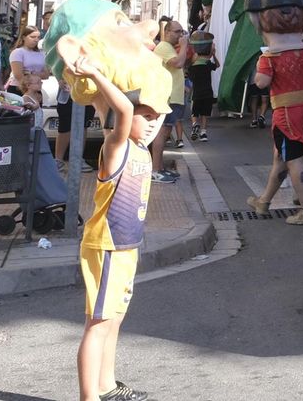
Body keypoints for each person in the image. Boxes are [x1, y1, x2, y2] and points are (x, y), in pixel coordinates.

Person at [71, 53, 165, 401]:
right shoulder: (117, 146)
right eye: (147, 116)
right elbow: (120, 111)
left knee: (113, 320)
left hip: (126, 245)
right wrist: (95, 72)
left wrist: (89, 78)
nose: (153, 123)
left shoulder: (141, 149)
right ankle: (88, 396)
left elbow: (104, 104)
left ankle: (106, 386)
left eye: (158, 117)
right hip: (107, 245)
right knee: (97, 325)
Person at [245, 7, 303, 226]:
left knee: (294, 160)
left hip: (286, 115)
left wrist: (261, 64)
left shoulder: (271, 56)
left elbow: (261, 83)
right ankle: (264, 202)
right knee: (281, 159)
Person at [149, 20, 186, 184]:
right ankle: (155, 170)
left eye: (182, 32)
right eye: (177, 31)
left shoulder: (169, 48)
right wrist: (185, 46)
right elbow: (177, 63)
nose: (181, 35)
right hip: (166, 97)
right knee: (161, 133)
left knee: (165, 134)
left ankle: (160, 168)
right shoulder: (163, 47)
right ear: (167, 32)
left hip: (172, 97)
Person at [185, 31, 219, 142]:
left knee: (194, 112)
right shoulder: (208, 64)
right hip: (208, 92)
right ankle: (203, 133)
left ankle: (195, 125)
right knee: (205, 113)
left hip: (196, 93)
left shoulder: (193, 66)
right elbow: (217, 65)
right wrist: (214, 55)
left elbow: (189, 77)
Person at [7, 24, 48, 105]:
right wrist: (28, 92)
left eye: (38, 37)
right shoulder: (18, 52)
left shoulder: (41, 54)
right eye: (32, 37)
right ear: (23, 37)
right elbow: (18, 75)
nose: (36, 40)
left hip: (36, 90)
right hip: (18, 89)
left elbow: (46, 74)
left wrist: (31, 74)